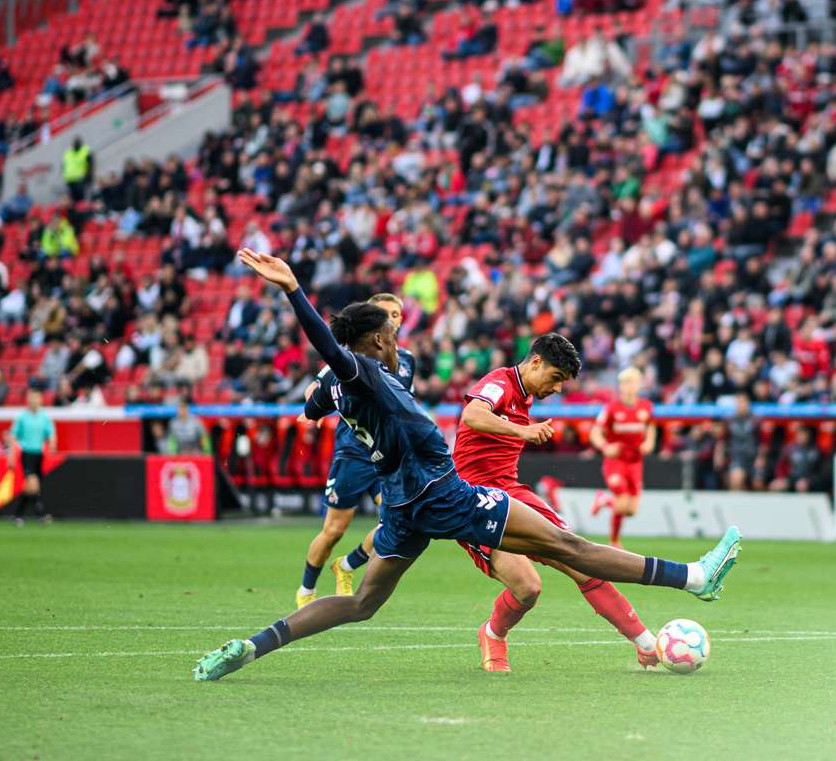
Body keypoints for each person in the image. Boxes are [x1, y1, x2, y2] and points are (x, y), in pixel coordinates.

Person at [194, 248, 740, 683]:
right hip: (445, 493)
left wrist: (315, 399)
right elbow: (335, 353)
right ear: (379, 338)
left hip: (404, 505)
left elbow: (317, 399)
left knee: (361, 603)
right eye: (391, 328)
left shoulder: (338, 384)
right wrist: (294, 292)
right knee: (569, 548)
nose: (397, 334)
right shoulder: (359, 370)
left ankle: (252, 646)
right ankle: (694, 578)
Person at [450, 339, 661, 673]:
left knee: (581, 560)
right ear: (535, 362)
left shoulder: (527, 395)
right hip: (474, 501)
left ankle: (647, 644)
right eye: (556, 376)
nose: (559, 387)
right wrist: (522, 430)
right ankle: (493, 633)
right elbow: (473, 415)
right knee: (528, 587)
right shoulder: (499, 383)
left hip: (513, 493)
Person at [294, 292, 412, 608]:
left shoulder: (407, 360)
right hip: (353, 455)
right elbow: (319, 385)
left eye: (397, 314)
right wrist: (312, 408)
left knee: (397, 524)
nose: (392, 319)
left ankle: (347, 565)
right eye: (386, 313)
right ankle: (306, 591)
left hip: (386, 458)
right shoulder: (350, 360)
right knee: (333, 530)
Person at [588, 366, 656, 548]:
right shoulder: (611, 408)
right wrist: (605, 446)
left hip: (635, 462)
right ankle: (615, 541)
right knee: (622, 502)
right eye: (625, 383)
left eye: (633, 382)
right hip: (615, 461)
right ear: (620, 386)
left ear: (640, 385)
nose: (629, 386)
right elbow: (595, 432)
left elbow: (650, 427)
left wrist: (649, 442)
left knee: (631, 510)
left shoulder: (646, 407)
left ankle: (604, 500)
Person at [7, 388, 56, 524]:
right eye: (31, 398)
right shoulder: (22, 417)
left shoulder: (44, 417)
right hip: (27, 454)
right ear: (28, 400)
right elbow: (12, 436)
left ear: (41, 400)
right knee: (33, 484)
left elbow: (51, 433)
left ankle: (18, 515)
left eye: (36, 398)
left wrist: (52, 443)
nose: (33, 401)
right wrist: (10, 455)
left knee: (31, 487)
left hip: (39, 455)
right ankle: (41, 515)